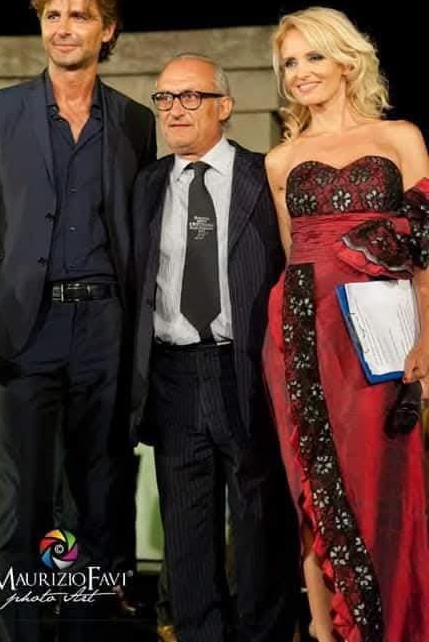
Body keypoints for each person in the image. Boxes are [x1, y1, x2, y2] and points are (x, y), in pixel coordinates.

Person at [0, 0, 156, 642]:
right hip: (21, 334)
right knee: (23, 505)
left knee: (97, 505)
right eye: (53, 15)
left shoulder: (133, 122)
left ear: (108, 30)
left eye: (80, 15)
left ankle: (85, 631)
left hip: (105, 330)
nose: (64, 28)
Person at [263, 6, 429, 642]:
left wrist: (425, 336)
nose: (299, 72)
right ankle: (323, 629)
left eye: (313, 56)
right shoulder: (281, 159)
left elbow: (425, 253)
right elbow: (291, 254)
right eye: (289, 63)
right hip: (303, 330)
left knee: (384, 477)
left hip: (382, 338)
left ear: (346, 60)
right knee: (310, 476)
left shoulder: (400, 138)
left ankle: (389, 623)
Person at [131, 53, 300, 642]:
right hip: (173, 374)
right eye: (164, 98)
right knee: (186, 530)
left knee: (260, 523)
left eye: (190, 96)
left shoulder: (264, 175)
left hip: (246, 370)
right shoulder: (147, 185)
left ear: (224, 106)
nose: (175, 110)